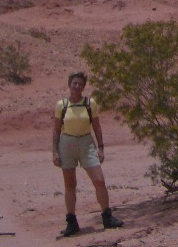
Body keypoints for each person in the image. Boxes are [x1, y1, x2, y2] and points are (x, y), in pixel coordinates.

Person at [52, 71, 124, 236]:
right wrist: (54, 152)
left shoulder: (89, 103)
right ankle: (71, 221)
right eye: (74, 83)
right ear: (69, 85)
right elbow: (56, 130)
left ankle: (107, 216)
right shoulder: (61, 105)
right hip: (67, 143)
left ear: (84, 87)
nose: (76, 86)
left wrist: (101, 147)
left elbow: (97, 126)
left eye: (80, 84)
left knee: (99, 180)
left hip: (86, 143)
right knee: (70, 185)